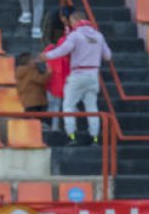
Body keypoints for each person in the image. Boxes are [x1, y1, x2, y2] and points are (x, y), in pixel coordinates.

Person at [42, 10, 113, 146]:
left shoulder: (75, 36)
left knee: (68, 105)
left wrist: (47, 55)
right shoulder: (98, 36)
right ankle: (95, 139)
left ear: (75, 21)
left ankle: (72, 136)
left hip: (78, 74)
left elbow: (63, 50)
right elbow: (108, 56)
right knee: (92, 108)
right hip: (93, 74)